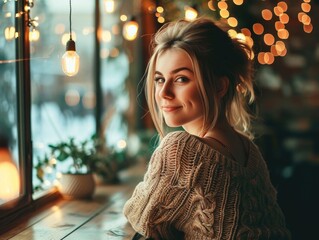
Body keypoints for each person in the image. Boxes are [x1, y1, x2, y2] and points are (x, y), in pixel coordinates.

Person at [123, 17, 291, 240]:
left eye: (181, 79)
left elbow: (140, 217)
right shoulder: (248, 150)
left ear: (219, 86)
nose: (164, 93)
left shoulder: (182, 149)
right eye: (160, 79)